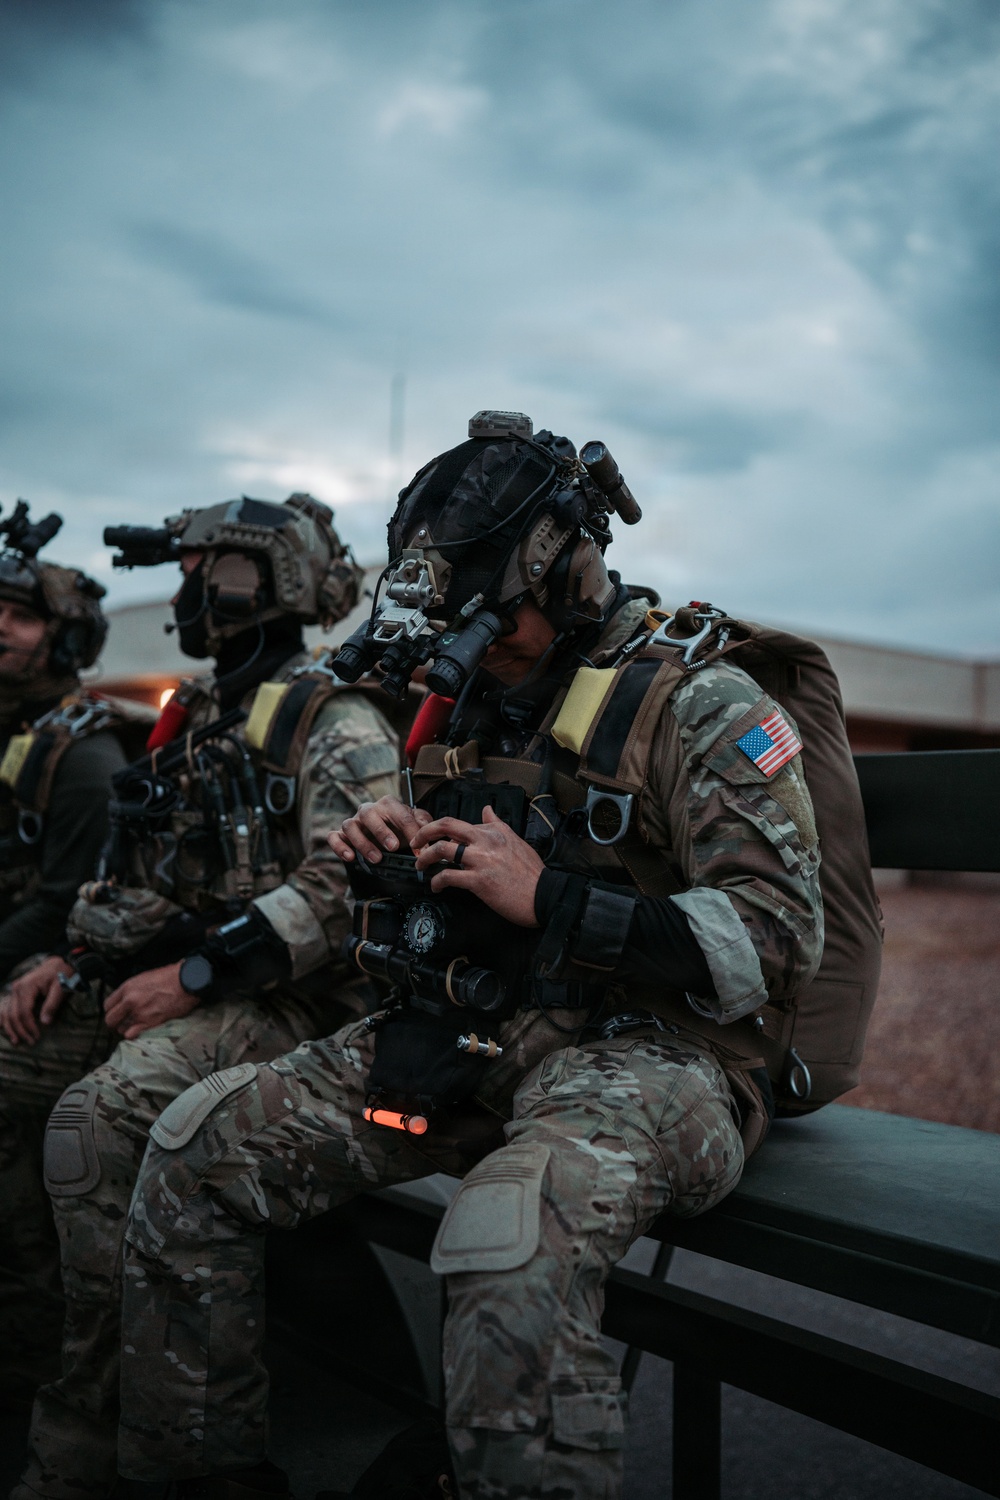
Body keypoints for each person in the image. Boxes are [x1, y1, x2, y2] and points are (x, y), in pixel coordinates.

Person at [110, 413, 863, 1500]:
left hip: (657, 1057)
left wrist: (548, 895)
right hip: (476, 1031)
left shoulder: (699, 700)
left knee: (506, 1238)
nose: (477, 641)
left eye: (493, 614)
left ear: (568, 570)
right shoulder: (478, 698)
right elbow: (458, 893)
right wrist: (396, 858)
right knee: (192, 1151)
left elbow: (777, 941)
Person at [11, 494, 401, 1499]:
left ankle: (143, 1451)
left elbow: (350, 889)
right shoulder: (200, 717)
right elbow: (151, 879)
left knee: (96, 1120)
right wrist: (74, 958)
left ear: (248, 583)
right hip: (192, 991)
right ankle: (48, 1364)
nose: (184, 595)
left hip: (305, 1008)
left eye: (197, 575)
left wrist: (192, 977)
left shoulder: (333, 718)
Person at [0, 500, 140, 1403]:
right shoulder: (15, 734)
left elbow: (62, 907)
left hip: (61, 983)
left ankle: (31, 1334)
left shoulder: (82, 756)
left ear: (66, 638)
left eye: (18, 617)